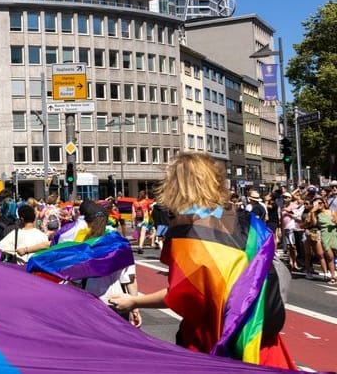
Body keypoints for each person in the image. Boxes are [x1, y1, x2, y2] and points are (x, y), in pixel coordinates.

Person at [109, 153, 294, 369]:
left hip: (214, 343)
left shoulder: (186, 230)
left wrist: (134, 301)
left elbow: (181, 295)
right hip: (261, 339)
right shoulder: (248, 220)